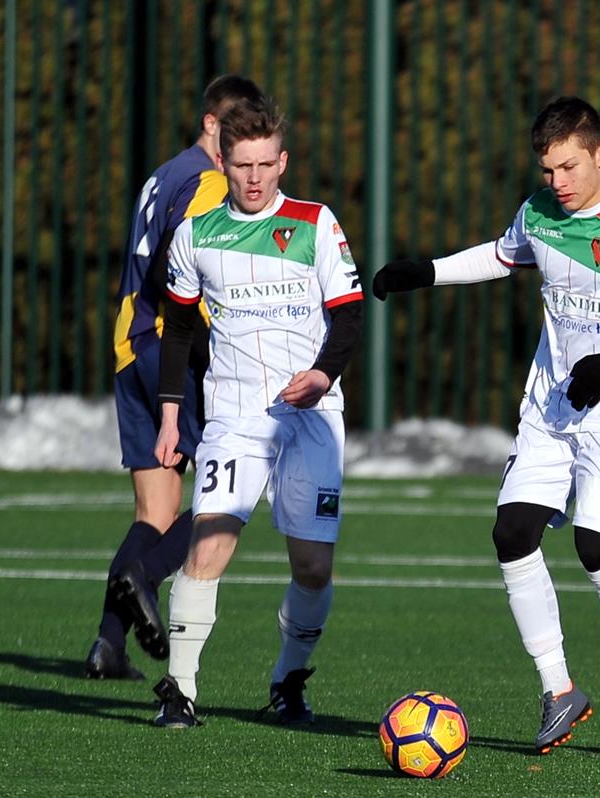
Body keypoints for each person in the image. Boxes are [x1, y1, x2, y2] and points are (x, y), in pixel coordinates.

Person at [373, 96, 600, 754]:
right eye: (548, 169)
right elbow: (503, 256)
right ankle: (559, 689)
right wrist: (428, 272)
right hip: (551, 406)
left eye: (569, 167)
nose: (558, 181)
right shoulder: (538, 213)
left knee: (595, 545)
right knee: (512, 533)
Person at [149, 96, 364, 728]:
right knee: (208, 546)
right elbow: (178, 330)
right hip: (235, 417)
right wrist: (170, 415)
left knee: (313, 567)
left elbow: (349, 315)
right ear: (223, 162)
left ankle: (288, 680)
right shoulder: (195, 235)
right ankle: (179, 690)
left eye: (266, 164)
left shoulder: (315, 223)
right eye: (243, 165)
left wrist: (322, 374)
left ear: (282, 162)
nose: (254, 177)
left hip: (311, 416)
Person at [85, 75, 267, 680]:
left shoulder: (164, 173)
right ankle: (144, 575)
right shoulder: (208, 181)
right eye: (233, 129)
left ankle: (109, 645)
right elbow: (178, 262)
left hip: (129, 345)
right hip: (174, 350)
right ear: (211, 123)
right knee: (229, 493)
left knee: (155, 512)